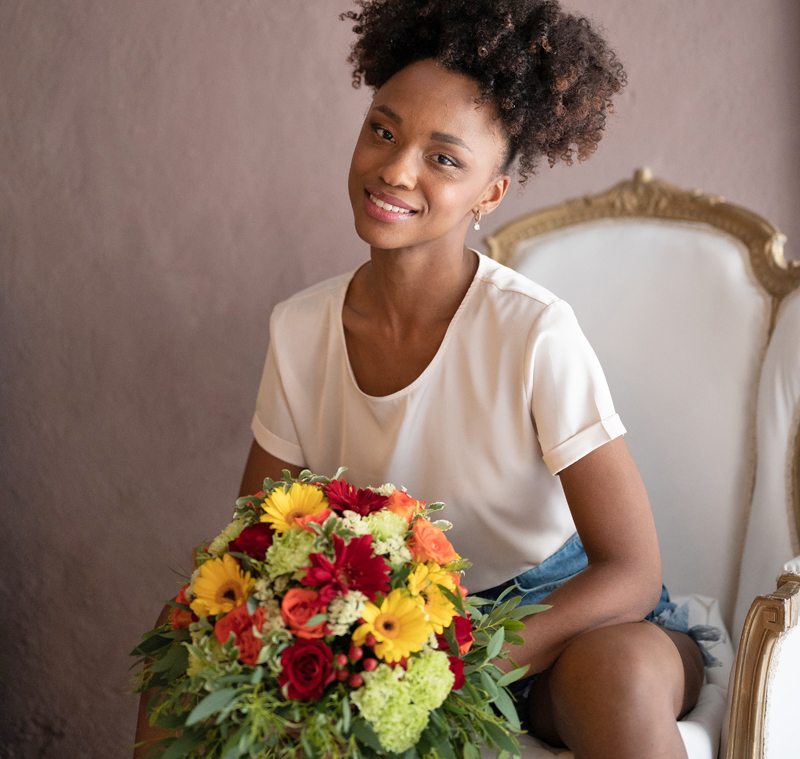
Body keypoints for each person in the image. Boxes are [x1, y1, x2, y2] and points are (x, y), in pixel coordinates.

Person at [135, 2, 705, 757]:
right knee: (181, 635)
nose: (396, 169)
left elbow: (631, 569)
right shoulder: (301, 329)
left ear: (490, 194)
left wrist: (458, 663)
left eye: (444, 158)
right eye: (383, 130)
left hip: (569, 624)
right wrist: (353, 648)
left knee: (618, 678)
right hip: (394, 627)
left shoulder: (534, 331)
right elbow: (257, 544)